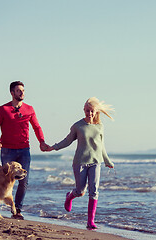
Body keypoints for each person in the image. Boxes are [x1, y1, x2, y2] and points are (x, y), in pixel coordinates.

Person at [49, 97, 114, 230]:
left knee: (94, 191)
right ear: (83, 110)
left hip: (96, 162)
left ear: (95, 111)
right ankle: (70, 196)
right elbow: (67, 141)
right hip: (80, 162)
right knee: (80, 191)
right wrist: (53, 147)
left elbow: (101, 146)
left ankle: (90, 222)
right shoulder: (77, 126)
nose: (89, 113)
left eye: (91, 111)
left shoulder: (100, 127)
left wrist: (107, 160)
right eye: (86, 110)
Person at [0, 81, 51, 220]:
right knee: (5, 180)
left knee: (24, 181)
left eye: (23, 90)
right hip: (7, 150)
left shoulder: (29, 109)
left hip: (24, 150)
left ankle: (17, 209)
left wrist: (42, 141)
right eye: (18, 91)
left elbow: (37, 127)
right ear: (12, 93)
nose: (22, 93)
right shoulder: (3, 109)